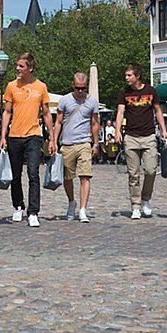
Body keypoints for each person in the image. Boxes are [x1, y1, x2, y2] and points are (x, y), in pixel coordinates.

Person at [0, 52, 55, 228]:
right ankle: (18, 206)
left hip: (34, 136)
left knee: (33, 173)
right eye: (17, 65)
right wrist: (3, 135)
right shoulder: (11, 86)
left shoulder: (41, 87)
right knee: (15, 175)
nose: (17, 68)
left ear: (30, 68)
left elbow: (46, 114)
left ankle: (33, 212)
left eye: (21, 66)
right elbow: (7, 112)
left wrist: (52, 139)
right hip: (15, 135)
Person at [115, 62, 167, 220]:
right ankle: (136, 206)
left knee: (151, 170)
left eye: (129, 75)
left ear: (137, 76)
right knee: (133, 174)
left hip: (149, 136)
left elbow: (158, 111)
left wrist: (164, 130)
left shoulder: (151, 91)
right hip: (131, 137)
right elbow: (120, 112)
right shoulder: (124, 92)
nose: (126, 78)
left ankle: (146, 199)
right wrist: (118, 130)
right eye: (126, 75)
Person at [53, 72, 99, 223]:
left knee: (85, 176)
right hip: (67, 144)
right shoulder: (64, 100)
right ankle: (71, 202)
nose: (80, 91)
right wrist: (54, 140)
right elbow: (58, 122)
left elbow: (94, 123)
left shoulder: (92, 101)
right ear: (73, 85)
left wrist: (96, 143)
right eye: (78, 88)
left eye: (83, 88)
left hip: (84, 143)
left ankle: (83, 210)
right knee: (68, 178)